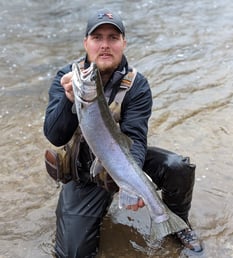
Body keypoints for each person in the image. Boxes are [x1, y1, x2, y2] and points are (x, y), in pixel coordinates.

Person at [44, 8, 203, 258]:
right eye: (97, 38)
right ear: (86, 43)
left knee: (177, 167)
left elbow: (136, 138)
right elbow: (55, 136)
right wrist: (67, 101)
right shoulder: (67, 78)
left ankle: (176, 224)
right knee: (73, 254)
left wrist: (132, 184)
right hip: (85, 172)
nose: (105, 45)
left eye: (113, 38)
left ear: (124, 43)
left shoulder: (137, 85)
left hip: (122, 159)